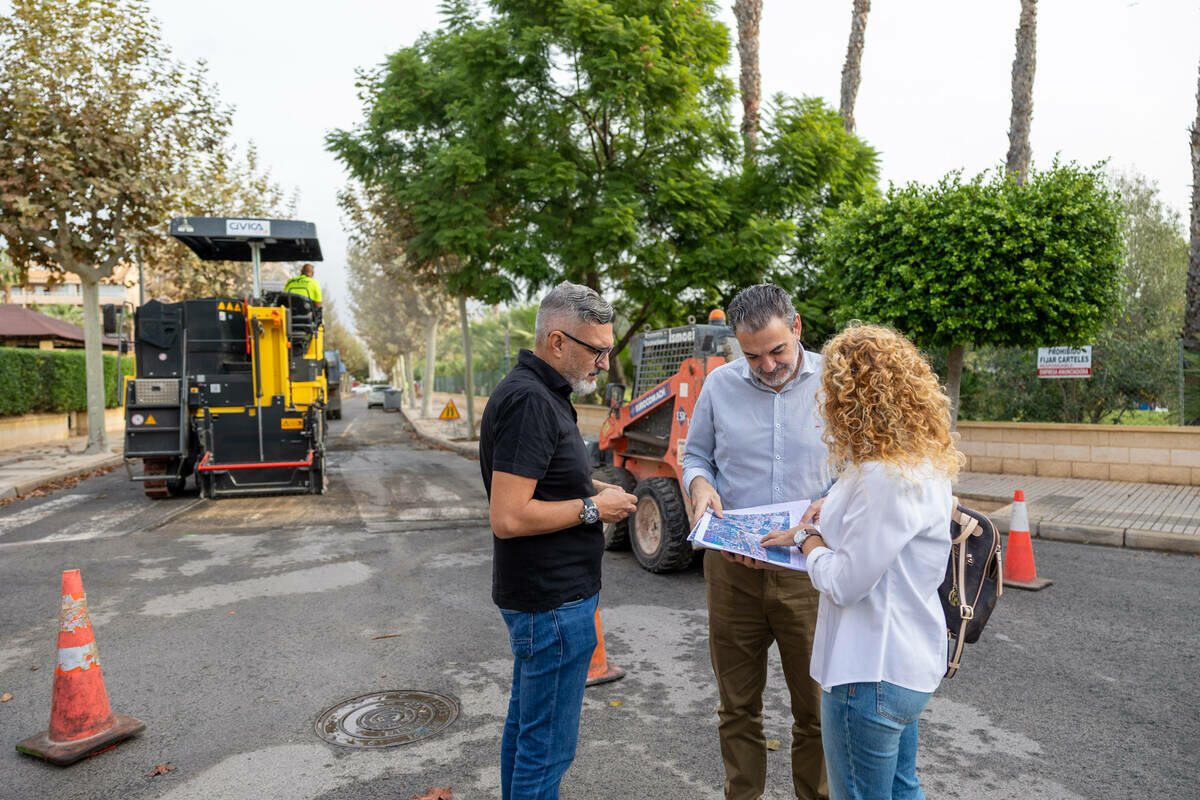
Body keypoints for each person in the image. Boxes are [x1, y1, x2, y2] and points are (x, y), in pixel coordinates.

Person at [761, 324, 962, 800]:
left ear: (852, 399)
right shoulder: (920, 465)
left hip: (867, 672)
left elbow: (847, 582)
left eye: (830, 389)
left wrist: (809, 541)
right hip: (905, 666)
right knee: (901, 789)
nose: (824, 400)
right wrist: (814, 523)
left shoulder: (881, 478)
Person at [478, 281, 638, 800]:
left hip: (548, 601)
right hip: (551, 606)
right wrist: (595, 507)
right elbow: (508, 515)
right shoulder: (529, 401)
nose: (604, 362)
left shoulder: (542, 393)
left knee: (528, 734)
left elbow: (537, 475)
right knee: (546, 751)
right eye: (597, 350)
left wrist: (589, 486)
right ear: (557, 342)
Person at [682, 284, 831, 800]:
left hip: (809, 573)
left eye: (776, 351)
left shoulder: (838, 387)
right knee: (737, 708)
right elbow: (696, 458)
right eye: (751, 355)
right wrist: (700, 487)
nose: (765, 366)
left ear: (797, 328)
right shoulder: (720, 386)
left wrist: (827, 508)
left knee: (816, 711)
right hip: (732, 574)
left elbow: (862, 470)